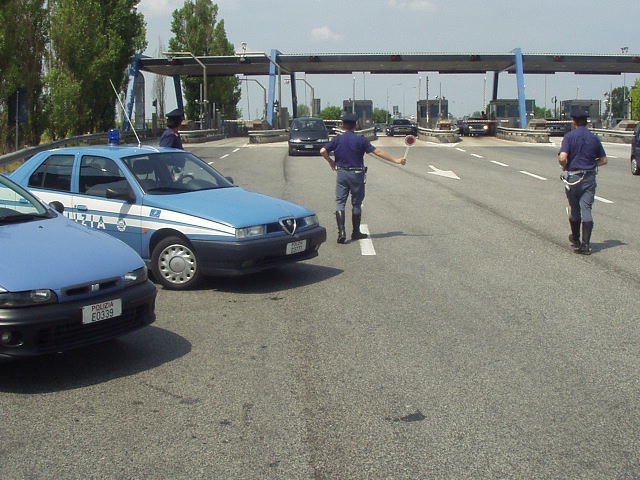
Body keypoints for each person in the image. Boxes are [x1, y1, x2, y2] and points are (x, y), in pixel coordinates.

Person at [320, 112, 406, 244]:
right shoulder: (361, 140)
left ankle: (341, 233)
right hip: (357, 174)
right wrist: (396, 160)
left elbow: (322, 151)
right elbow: (377, 152)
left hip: (342, 173)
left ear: (343, 125)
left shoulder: (337, 140)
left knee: (340, 202)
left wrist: (331, 162)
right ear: (355, 125)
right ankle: (355, 232)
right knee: (356, 203)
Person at [558, 110, 608, 255]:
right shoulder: (594, 138)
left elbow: (562, 157)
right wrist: (592, 165)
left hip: (574, 177)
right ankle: (586, 245)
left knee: (574, 209)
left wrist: (564, 165)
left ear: (574, 121)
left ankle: (575, 238)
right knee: (586, 208)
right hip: (589, 177)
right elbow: (604, 160)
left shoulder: (569, 137)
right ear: (587, 122)